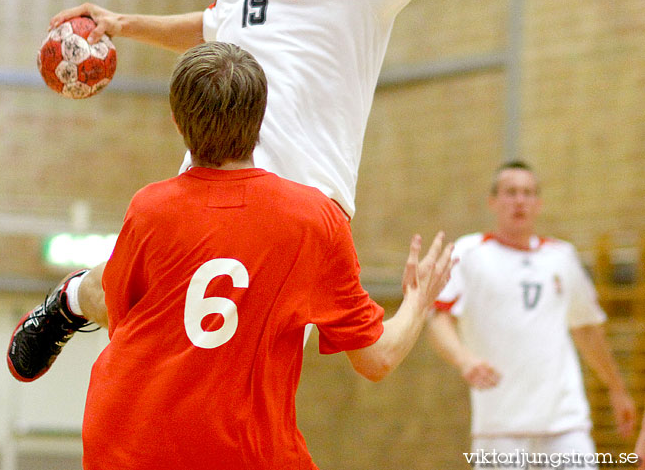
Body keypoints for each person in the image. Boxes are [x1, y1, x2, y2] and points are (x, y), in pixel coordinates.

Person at [7, 0, 485, 382]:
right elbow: (213, 27)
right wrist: (123, 24)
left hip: (305, 193)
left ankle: (81, 309)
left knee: (252, 350)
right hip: (215, 170)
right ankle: (70, 303)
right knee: (140, 301)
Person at [81, 41, 453, 470]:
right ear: (261, 118)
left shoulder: (149, 208)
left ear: (177, 122)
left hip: (125, 442)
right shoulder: (313, 218)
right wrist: (419, 300)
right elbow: (377, 358)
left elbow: (120, 317)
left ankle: (67, 301)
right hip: (242, 451)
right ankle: (68, 300)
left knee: (96, 287)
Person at [426, 160, 636, 469]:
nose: (519, 200)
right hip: (500, 427)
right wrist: (465, 360)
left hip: (566, 423)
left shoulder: (561, 256)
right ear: (493, 202)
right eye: (510, 192)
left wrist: (617, 389)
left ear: (538, 203)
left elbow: (587, 330)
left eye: (528, 193)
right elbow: (438, 320)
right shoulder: (469, 253)